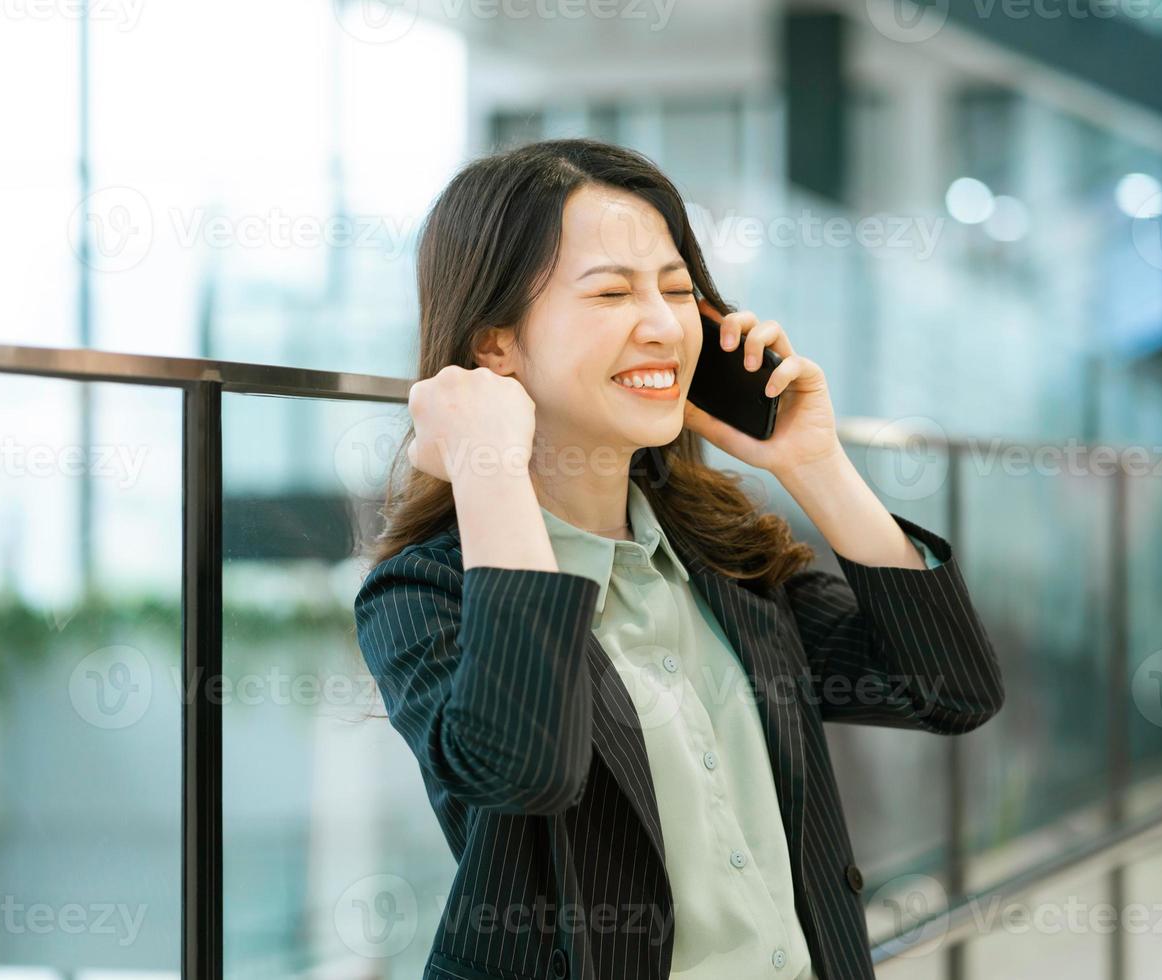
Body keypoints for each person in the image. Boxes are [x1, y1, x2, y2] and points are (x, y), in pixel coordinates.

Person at [353, 137, 1004, 980]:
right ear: (495, 347)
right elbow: (525, 772)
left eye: (676, 288)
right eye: (612, 292)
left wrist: (813, 462)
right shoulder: (422, 591)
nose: (664, 326)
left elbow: (951, 690)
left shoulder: (721, 562)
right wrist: (489, 470)